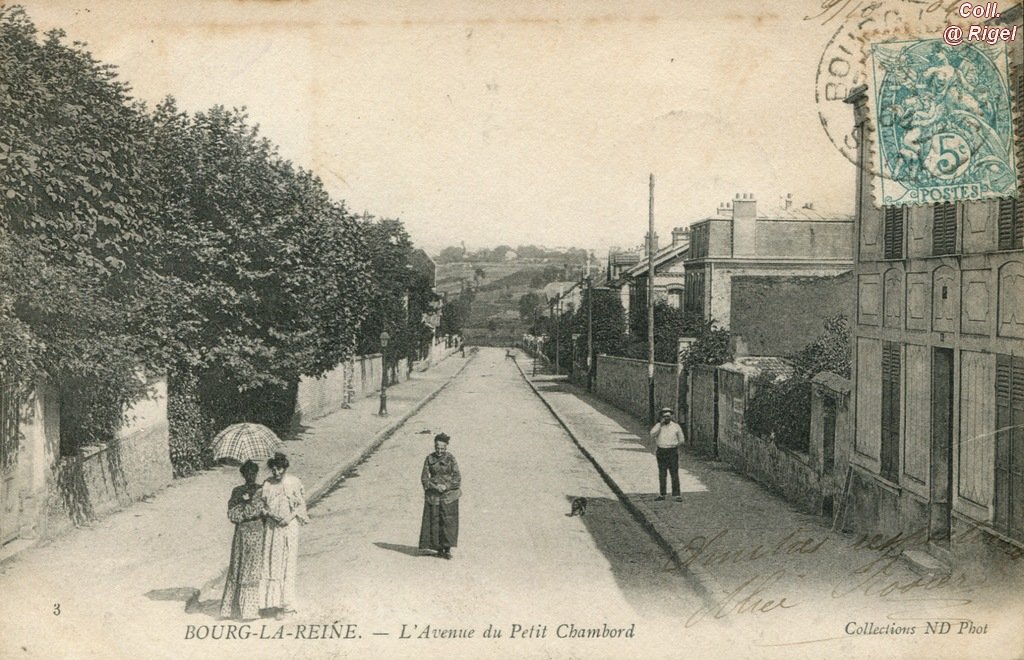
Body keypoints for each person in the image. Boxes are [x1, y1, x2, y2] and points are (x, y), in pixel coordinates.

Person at [259, 452, 309, 618]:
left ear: (285, 468)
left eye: (279, 469)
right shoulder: (267, 484)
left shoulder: (294, 482)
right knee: (273, 562)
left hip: (289, 527)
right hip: (273, 527)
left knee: (287, 563)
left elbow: (300, 505)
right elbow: (263, 507)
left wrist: (288, 518)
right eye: (273, 469)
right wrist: (272, 516)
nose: (277, 473)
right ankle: (270, 603)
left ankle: (286, 604)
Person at [220, 460, 266, 620]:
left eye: (253, 473)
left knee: (253, 567)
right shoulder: (237, 491)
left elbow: (260, 510)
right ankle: (234, 608)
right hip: (241, 534)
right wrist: (246, 505)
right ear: (243, 475)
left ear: (256, 474)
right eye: (247, 474)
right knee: (238, 567)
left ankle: (251, 609)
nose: (250, 477)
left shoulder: (262, 491)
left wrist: (249, 505)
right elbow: (233, 514)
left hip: (257, 534)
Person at [419, 433, 461, 559]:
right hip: (434, 496)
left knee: (448, 522)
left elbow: (457, 478)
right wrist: (434, 486)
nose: (439, 450)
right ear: (434, 446)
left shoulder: (451, 459)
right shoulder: (429, 459)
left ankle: (447, 549)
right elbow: (424, 478)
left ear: (446, 447)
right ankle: (438, 549)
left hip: (449, 496)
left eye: (442, 448)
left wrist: (446, 487)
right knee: (435, 521)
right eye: (437, 447)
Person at [650, 407, 685, 502]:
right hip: (661, 451)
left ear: (672, 416)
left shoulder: (676, 426)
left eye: (668, 416)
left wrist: (675, 445)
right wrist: (659, 426)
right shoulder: (658, 426)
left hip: (672, 451)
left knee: (674, 473)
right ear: (661, 417)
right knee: (662, 473)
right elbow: (652, 434)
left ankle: (677, 495)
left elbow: (682, 439)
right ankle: (662, 494)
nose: (666, 418)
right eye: (664, 416)